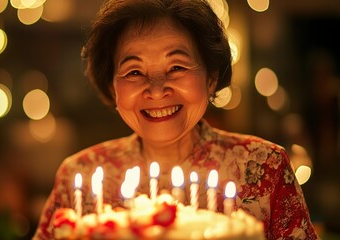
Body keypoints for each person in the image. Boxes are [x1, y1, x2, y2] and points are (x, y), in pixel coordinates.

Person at [33, 0, 319, 239]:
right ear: (112, 87)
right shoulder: (79, 176)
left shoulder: (265, 167)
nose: (157, 90)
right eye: (134, 72)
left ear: (211, 78)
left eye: (177, 67)